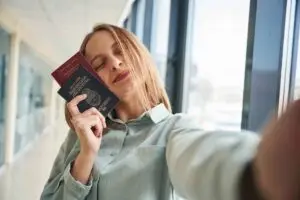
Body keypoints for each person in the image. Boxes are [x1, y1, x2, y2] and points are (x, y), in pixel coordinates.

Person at [40, 24, 300, 200]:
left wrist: (256, 173)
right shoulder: (79, 136)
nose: (116, 63)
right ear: (92, 81)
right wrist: (86, 156)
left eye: (121, 52)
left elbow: (202, 157)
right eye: (100, 65)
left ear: (138, 55)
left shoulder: (174, 131)